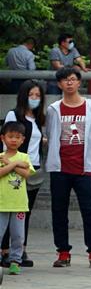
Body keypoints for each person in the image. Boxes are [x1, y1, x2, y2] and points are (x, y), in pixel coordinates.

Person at [45, 67, 91, 269]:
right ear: (59, 84)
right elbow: (51, 134)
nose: (69, 83)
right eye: (65, 80)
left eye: (72, 79)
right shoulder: (53, 109)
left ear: (79, 82)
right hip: (60, 167)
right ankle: (63, 252)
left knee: (90, 211)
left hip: (84, 168)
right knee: (59, 211)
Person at [1, 80, 45, 268]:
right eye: (31, 95)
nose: (34, 98)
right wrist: (9, 162)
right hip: (13, 167)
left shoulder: (39, 118)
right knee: (6, 210)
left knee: (23, 211)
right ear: (23, 96)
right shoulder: (14, 114)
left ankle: (20, 251)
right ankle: (4, 251)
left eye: (38, 95)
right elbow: (7, 139)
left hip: (32, 167)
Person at [0, 121, 35, 276]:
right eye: (10, 136)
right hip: (2, 203)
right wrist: (15, 164)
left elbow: (27, 174)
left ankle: (15, 261)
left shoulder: (25, 157)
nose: (14, 140)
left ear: (23, 140)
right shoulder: (1, 157)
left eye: (17, 137)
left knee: (18, 235)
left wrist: (9, 163)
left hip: (19, 204)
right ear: (3, 138)